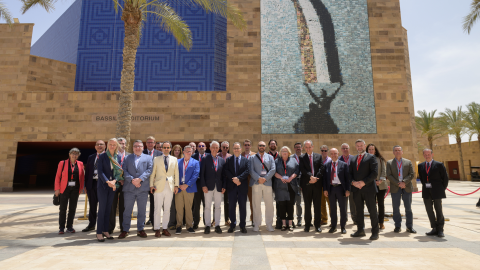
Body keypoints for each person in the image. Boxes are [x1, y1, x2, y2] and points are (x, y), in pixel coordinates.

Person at [118, 140, 153, 239]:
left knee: (142, 210)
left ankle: (140, 229)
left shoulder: (149, 158)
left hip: (142, 188)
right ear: (133, 148)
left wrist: (140, 179)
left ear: (143, 147)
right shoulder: (127, 158)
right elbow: (124, 170)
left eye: (139, 146)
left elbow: (149, 170)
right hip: (129, 188)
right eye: (135, 146)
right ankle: (125, 230)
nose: (137, 148)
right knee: (127, 211)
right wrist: (132, 180)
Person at [349, 139, 379, 240]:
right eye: (357, 146)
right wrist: (353, 182)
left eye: (361, 145)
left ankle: (375, 232)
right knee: (359, 211)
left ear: (364, 146)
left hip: (369, 189)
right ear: (355, 147)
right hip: (357, 189)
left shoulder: (371, 157)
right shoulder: (353, 159)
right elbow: (349, 174)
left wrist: (363, 182)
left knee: (372, 211)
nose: (359, 147)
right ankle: (360, 230)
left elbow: (374, 173)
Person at [150, 141, 179, 237]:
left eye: (168, 147)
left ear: (170, 148)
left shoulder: (174, 159)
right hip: (158, 186)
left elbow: (176, 174)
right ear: (162, 149)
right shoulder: (156, 159)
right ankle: (157, 229)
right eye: (164, 147)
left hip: (170, 187)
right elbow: (153, 173)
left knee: (167, 209)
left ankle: (165, 228)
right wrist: (151, 185)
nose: (166, 149)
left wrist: (176, 186)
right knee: (157, 209)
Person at [96, 138, 123, 242]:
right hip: (103, 186)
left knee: (109, 210)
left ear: (116, 146)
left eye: (114, 145)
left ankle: (106, 231)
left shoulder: (118, 157)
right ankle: (99, 233)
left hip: (113, 186)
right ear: (107, 145)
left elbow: (119, 172)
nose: (112, 146)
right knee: (102, 210)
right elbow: (100, 171)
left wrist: (115, 181)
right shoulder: (102, 156)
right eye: (110, 144)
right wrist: (108, 182)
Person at [418, 148, 449, 238]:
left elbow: (445, 178)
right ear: (423, 155)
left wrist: (442, 189)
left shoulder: (439, 165)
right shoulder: (420, 166)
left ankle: (440, 229)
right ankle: (434, 228)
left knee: (438, 210)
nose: (427, 156)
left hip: (437, 191)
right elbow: (422, 179)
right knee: (429, 210)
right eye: (425, 154)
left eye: (429, 154)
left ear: (432, 154)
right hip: (426, 191)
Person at [55, 148, 85, 234]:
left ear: (78, 155)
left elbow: (82, 177)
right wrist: (57, 189)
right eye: (73, 153)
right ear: (69, 154)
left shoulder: (80, 164)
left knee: (72, 208)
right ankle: (61, 227)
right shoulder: (62, 163)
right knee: (63, 208)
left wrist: (81, 188)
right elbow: (57, 176)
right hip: (64, 188)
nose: (74, 155)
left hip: (75, 189)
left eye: (76, 154)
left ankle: (70, 226)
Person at [386, 145, 416, 234]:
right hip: (395, 188)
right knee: (395, 208)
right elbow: (389, 175)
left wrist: (404, 182)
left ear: (402, 152)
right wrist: (398, 183)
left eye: (399, 150)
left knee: (408, 208)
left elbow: (411, 174)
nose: (398, 152)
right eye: (396, 150)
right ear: (393, 152)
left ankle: (409, 226)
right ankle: (397, 226)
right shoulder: (389, 163)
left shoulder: (408, 162)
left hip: (406, 187)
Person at [250, 141, 276, 232]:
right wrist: (258, 178)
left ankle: (269, 224)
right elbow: (251, 170)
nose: (261, 147)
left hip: (267, 183)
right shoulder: (252, 157)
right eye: (260, 145)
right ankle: (256, 224)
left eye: (263, 146)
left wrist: (265, 178)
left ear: (265, 147)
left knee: (269, 205)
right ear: (257, 146)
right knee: (256, 205)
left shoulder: (270, 157)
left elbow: (273, 169)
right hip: (256, 183)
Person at [323, 148, 350, 234]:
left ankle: (343, 226)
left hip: (341, 188)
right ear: (330, 155)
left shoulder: (344, 165)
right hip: (331, 188)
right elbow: (325, 179)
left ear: (338, 153)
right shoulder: (326, 165)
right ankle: (333, 226)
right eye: (331, 153)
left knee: (343, 208)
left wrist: (347, 190)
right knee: (333, 209)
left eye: (335, 153)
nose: (333, 155)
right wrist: (325, 189)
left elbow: (347, 179)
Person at [200, 141, 226, 234]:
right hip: (208, 187)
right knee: (207, 206)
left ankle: (217, 225)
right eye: (213, 147)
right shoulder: (205, 159)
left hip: (219, 187)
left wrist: (224, 186)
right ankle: (207, 225)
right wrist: (203, 185)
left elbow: (224, 175)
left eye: (216, 147)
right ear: (210, 148)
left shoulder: (222, 160)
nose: (215, 149)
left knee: (218, 206)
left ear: (218, 149)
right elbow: (202, 173)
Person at [225, 142, 250, 233]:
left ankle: (242, 225)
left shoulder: (245, 160)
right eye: (234, 148)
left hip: (242, 186)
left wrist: (239, 179)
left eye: (238, 148)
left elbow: (247, 171)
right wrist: (234, 179)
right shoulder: (228, 160)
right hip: (232, 187)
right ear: (232, 149)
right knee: (231, 206)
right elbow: (226, 171)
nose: (236, 150)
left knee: (243, 206)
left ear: (240, 149)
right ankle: (232, 224)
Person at [300, 140, 324, 233]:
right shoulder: (302, 157)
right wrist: (311, 177)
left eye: (309, 147)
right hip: (307, 184)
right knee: (307, 206)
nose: (308, 149)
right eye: (306, 147)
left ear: (313, 147)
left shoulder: (318, 156)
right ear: (304, 148)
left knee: (317, 206)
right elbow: (302, 169)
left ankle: (317, 225)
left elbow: (321, 168)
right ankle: (307, 226)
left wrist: (315, 178)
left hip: (317, 184)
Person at [175, 145, 200, 234]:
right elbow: (175, 174)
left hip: (189, 188)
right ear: (184, 152)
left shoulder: (196, 162)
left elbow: (195, 175)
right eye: (187, 151)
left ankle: (189, 226)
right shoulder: (177, 162)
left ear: (192, 153)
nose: (189, 153)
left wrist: (187, 185)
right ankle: (179, 226)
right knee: (179, 208)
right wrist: (177, 185)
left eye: (190, 151)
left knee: (189, 208)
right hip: (179, 188)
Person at [273, 146, 299, 231]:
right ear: (280, 152)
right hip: (280, 186)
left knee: (290, 205)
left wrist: (291, 178)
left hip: (291, 185)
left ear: (289, 153)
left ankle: (290, 224)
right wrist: (281, 178)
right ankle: (284, 224)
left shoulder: (293, 160)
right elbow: (274, 172)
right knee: (282, 205)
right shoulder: (277, 161)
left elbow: (297, 170)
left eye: (286, 151)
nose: (284, 152)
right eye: (283, 151)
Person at [82, 140, 105, 232]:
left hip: (103, 184)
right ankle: (91, 225)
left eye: (101, 144)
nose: (99, 146)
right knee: (92, 206)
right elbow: (87, 172)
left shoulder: (107, 156)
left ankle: (102, 225)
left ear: (105, 146)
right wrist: (86, 185)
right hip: (92, 184)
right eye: (97, 144)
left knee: (102, 206)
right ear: (95, 147)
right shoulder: (91, 157)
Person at [109, 137, 129, 234]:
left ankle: (123, 228)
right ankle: (110, 228)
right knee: (112, 206)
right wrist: (118, 179)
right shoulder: (112, 155)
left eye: (123, 143)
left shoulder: (130, 156)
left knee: (124, 207)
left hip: (126, 184)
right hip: (114, 184)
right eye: (120, 143)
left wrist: (124, 179)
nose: (122, 145)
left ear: (126, 145)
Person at [366, 143, 387, 230]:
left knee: (381, 204)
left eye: (372, 149)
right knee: (372, 205)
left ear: (375, 151)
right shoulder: (365, 160)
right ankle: (373, 222)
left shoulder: (380, 159)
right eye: (369, 149)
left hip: (380, 185)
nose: (371, 151)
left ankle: (381, 222)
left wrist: (380, 181)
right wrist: (372, 181)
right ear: (367, 151)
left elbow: (383, 171)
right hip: (370, 186)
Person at [144, 136, 163, 227]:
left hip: (155, 182)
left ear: (155, 144)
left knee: (153, 202)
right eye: (148, 142)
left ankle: (153, 220)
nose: (150, 144)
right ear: (146, 143)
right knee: (142, 202)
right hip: (143, 182)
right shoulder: (141, 152)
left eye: (152, 142)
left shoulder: (159, 153)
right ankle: (142, 222)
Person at [192, 142, 208, 229]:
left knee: (206, 204)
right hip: (196, 184)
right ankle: (196, 222)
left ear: (205, 147)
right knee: (196, 204)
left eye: (203, 146)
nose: (201, 147)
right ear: (197, 148)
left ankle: (207, 222)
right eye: (200, 146)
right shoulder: (193, 157)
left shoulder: (209, 156)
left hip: (206, 184)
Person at [339, 143, 355, 224]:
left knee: (353, 203)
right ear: (341, 150)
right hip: (343, 185)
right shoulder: (338, 159)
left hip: (352, 184)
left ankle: (355, 219)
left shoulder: (354, 158)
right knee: (343, 204)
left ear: (349, 149)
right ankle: (344, 219)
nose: (345, 150)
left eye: (346, 148)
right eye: (343, 148)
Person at [241, 139, 256, 227]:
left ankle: (253, 218)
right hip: (242, 181)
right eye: (245, 145)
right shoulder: (240, 154)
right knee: (242, 202)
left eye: (248, 145)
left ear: (250, 146)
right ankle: (242, 220)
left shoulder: (254, 155)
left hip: (251, 181)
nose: (247, 146)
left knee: (252, 201)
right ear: (243, 146)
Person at [169, 144, 184, 229]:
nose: (177, 152)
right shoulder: (170, 160)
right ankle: (171, 223)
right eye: (175, 150)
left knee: (180, 205)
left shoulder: (183, 160)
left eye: (178, 150)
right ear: (173, 151)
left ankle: (181, 222)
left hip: (181, 186)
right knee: (172, 205)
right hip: (172, 185)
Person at [218, 141, 232, 226]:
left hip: (227, 181)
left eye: (227, 147)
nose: (225, 149)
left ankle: (227, 219)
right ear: (221, 147)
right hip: (219, 181)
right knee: (217, 201)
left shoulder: (230, 156)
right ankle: (215, 220)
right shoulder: (217, 155)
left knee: (227, 201)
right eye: (224, 147)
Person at [291, 142, 303, 227]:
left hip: (303, 181)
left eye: (299, 147)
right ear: (294, 148)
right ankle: (291, 220)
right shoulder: (291, 157)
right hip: (293, 181)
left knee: (299, 202)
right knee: (292, 202)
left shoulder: (305, 157)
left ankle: (299, 219)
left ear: (302, 148)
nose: (298, 149)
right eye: (296, 147)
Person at [320, 145, 331, 226]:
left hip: (329, 185)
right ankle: (324, 219)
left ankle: (333, 219)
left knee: (331, 203)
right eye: (322, 150)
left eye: (325, 150)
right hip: (320, 185)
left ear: (328, 151)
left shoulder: (330, 160)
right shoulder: (318, 159)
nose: (324, 152)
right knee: (321, 203)